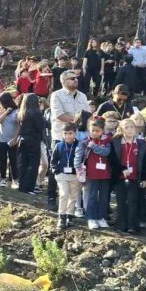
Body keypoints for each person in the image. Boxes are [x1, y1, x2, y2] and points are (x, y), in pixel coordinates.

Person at [48, 70, 89, 209]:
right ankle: (52, 197)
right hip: (61, 137)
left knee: (77, 167)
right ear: (63, 81)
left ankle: (76, 201)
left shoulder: (83, 96)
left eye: (76, 78)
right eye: (72, 79)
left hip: (79, 138)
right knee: (56, 167)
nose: (75, 80)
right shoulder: (56, 95)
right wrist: (78, 120)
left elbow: (87, 115)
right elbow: (60, 115)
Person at [110, 119, 146, 234]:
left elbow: (145, 163)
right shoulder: (115, 142)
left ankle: (132, 225)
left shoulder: (142, 144)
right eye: (127, 127)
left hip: (135, 177)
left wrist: (145, 179)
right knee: (121, 201)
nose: (130, 129)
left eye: (132, 127)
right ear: (121, 129)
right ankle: (120, 225)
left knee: (133, 201)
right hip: (120, 177)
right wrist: (122, 170)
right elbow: (112, 160)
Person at [76, 119, 112, 229]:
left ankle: (101, 217)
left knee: (104, 196)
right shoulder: (85, 141)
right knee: (91, 195)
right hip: (91, 173)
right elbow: (78, 155)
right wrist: (78, 168)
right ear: (89, 130)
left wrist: (94, 146)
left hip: (105, 173)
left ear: (102, 131)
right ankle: (91, 218)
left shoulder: (107, 142)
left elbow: (106, 152)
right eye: (93, 130)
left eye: (98, 131)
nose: (95, 133)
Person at [52, 123, 81, 229]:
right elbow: (53, 160)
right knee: (64, 194)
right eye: (65, 133)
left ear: (75, 133)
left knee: (73, 196)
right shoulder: (59, 145)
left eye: (70, 133)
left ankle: (70, 215)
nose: (68, 136)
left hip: (74, 175)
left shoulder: (80, 145)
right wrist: (56, 170)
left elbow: (83, 159)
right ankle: (62, 217)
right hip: (62, 174)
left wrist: (80, 171)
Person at [17, 93, 45, 194]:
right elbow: (41, 126)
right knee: (33, 164)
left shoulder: (22, 112)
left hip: (23, 139)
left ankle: (22, 185)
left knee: (23, 163)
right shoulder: (36, 113)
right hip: (33, 139)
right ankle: (29, 187)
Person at [0, 92, 19, 187]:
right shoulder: (0, 110)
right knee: (2, 159)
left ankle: (15, 179)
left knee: (13, 159)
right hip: (1, 138)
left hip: (12, 139)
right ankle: (3, 179)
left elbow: (19, 125)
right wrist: (5, 112)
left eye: (1, 102)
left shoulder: (16, 111)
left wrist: (16, 138)